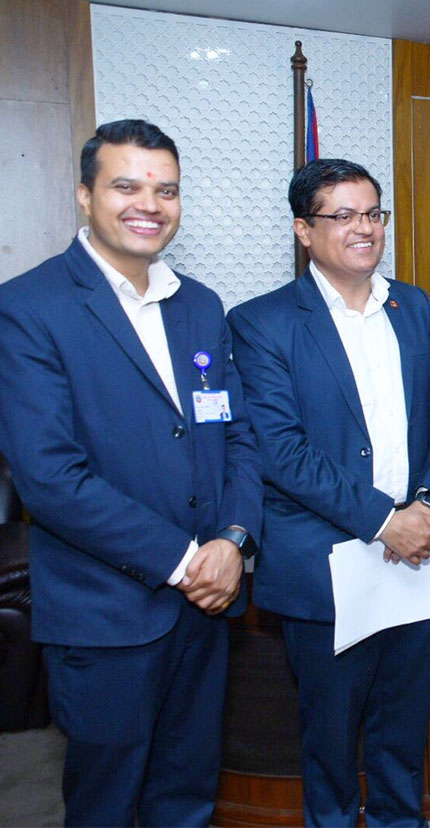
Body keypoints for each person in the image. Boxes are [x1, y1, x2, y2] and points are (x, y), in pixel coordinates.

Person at [0, 119, 263, 826]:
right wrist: (185, 562)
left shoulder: (200, 304)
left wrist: (234, 540)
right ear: (85, 196)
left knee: (187, 797)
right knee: (106, 804)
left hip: (207, 608)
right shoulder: (26, 308)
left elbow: (237, 436)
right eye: (127, 186)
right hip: (106, 616)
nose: (149, 204)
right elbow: (51, 479)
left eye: (166, 190)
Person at [227, 158, 430, 826]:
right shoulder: (261, 322)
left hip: (418, 554)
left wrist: (427, 505)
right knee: (331, 740)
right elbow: (281, 451)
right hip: (328, 564)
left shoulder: (412, 305)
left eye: (373, 213)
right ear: (304, 229)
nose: (364, 228)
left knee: (403, 730)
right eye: (342, 215)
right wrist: (384, 520)